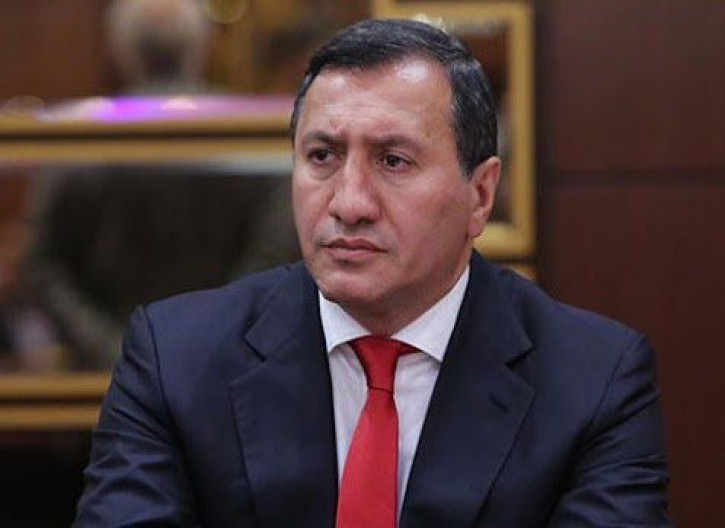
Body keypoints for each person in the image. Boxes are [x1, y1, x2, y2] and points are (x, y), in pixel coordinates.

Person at [74, 19, 670, 527]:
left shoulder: (594, 382)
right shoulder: (175, 359)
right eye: (322, 157)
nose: (349, 202)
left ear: (481, 194)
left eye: (393, 161)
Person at [25, 0, 299, 368]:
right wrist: (215, 340)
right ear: (205, 46)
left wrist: (114, 350)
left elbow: (44, 267)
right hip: (224, 372)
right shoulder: (251, 133)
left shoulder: (79, 137)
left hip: (107, 377)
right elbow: (274, 254)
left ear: (119, 50)